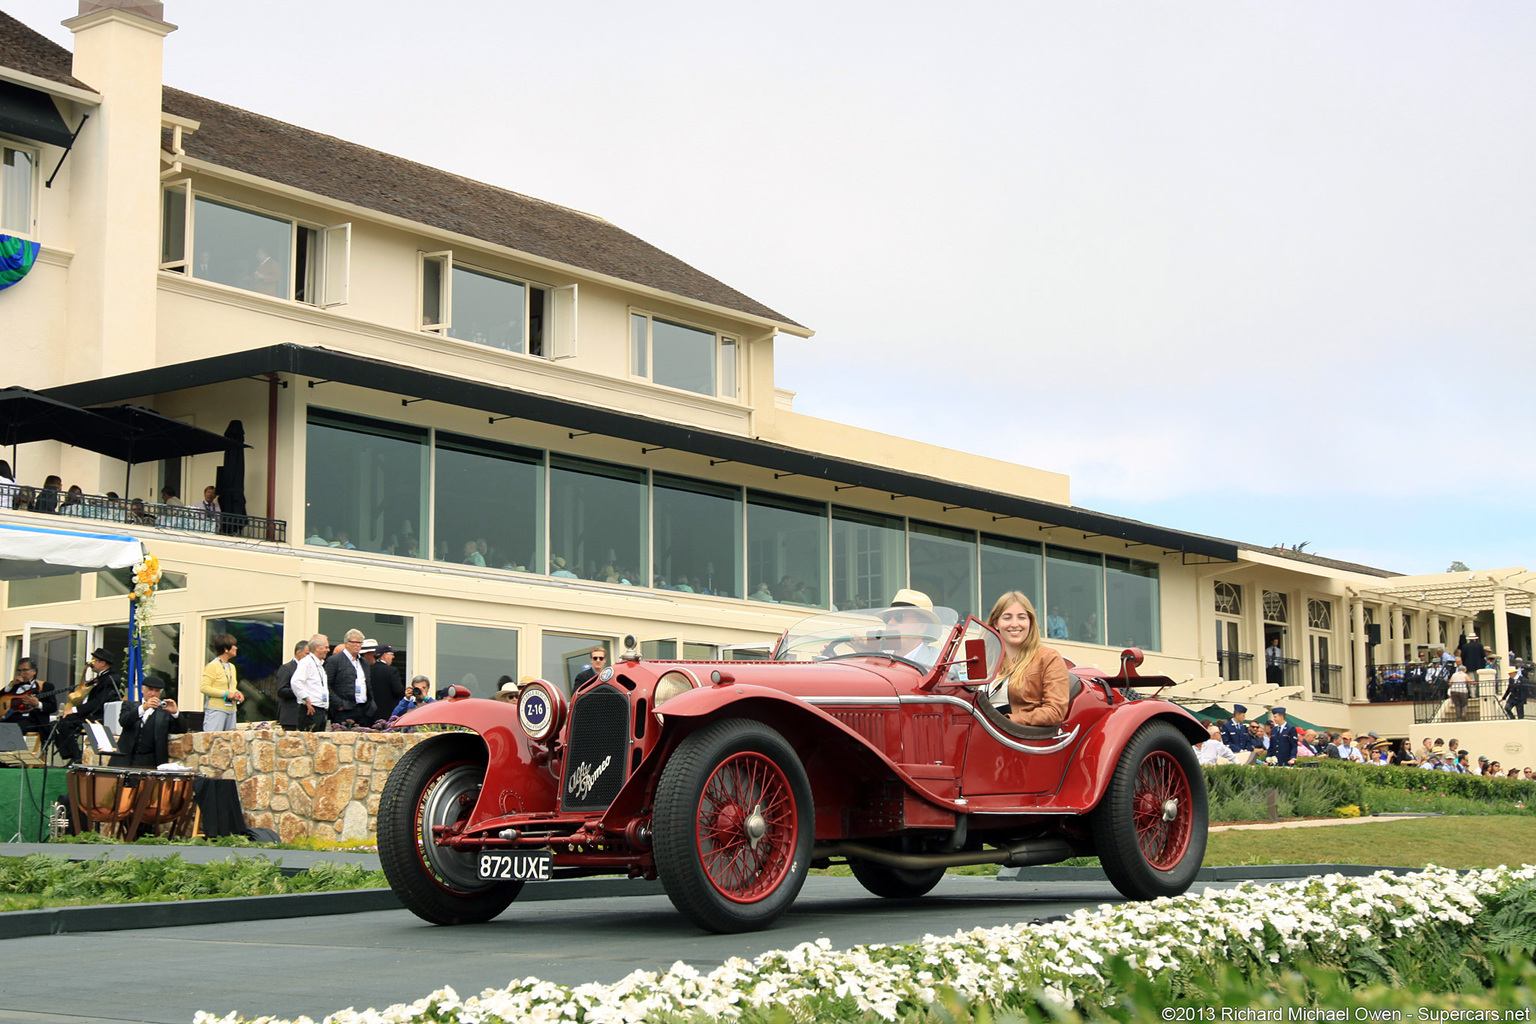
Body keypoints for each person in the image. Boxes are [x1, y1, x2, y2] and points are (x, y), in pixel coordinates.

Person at [986, 590, 1070, 729]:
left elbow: (1055, 711)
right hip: (979, 735)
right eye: (1007, 617)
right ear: (996, 623)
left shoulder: (1049, 658)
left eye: (1021, 617)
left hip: (1018, 739)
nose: (1014, 624)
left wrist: (1008, 721)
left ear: (1030, 622)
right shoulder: (987, 658)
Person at [49, 648, 123, 762]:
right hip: (88, 713)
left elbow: (97, 703)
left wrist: (73, 710)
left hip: (97, 716)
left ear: (102, 663)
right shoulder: (101, 677)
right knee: (55, 724)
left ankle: (76, 757)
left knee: (64, 723)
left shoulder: (110, 678)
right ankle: (73, 756)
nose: (91, 662)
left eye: (95, 660)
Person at [108, 677, 185, 768]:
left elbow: (181, 729)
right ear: (142, 690)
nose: (153, 694)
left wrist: (175, 713)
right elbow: (124, 721)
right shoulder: (129, 706)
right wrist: (144, 707)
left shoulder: (164, 712)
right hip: (127, 758)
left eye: (157, 691)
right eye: (150, 689)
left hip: (151, 761)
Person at [0, 657, 57, 736]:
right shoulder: (15, 685)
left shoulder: (45, 686)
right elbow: (1, 698)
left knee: (16, 728)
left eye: (24, 670)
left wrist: (37, 704)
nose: (21, 673)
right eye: (19, 671)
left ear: (34, 671)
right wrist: (11, 685)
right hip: (12, 716)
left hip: (31, 719)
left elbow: (52, 707)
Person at [198, 632, 243, 732]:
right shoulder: (212, 666)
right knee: (213, 741)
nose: (236, 648)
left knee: (229, 744)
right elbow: (204, 688)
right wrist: (226, 694)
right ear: (225, 648)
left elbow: (230, 687)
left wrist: (237, 693)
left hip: (232, 710)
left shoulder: (232, 667)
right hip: (216, 710)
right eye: (233, 646)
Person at [325, 629, 371, 725]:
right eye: (354, 642)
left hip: (362, 709)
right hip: (344, 710)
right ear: (346, 643)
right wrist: (339, 705)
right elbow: (326, 685)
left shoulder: (364, 662)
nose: (358, 645)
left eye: (360, 643)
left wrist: (371, 704)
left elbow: (368, 684)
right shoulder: (334, 661)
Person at [290, 634, 331, 731]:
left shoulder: (319, 664)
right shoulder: (307, 662)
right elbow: (295, 681)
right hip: (311, 710)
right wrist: (306, 700)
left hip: (321, 709)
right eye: (326, 647)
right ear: (317, 647)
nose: (328, 650)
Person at [274, 639, 309, 730]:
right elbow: (281, 690)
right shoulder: (287, 668)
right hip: (290, 716)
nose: (309, 657)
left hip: (306, 716)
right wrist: (301, 692)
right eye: (307, 654)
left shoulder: (310, 669)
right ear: (298, 652)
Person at [369, 643, 404, 725]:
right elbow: (398, 691)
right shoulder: (391, 671)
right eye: (391, 654)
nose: (393, 657)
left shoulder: (368, 670)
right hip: (388, 714)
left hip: (370, 714)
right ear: (384, 655)